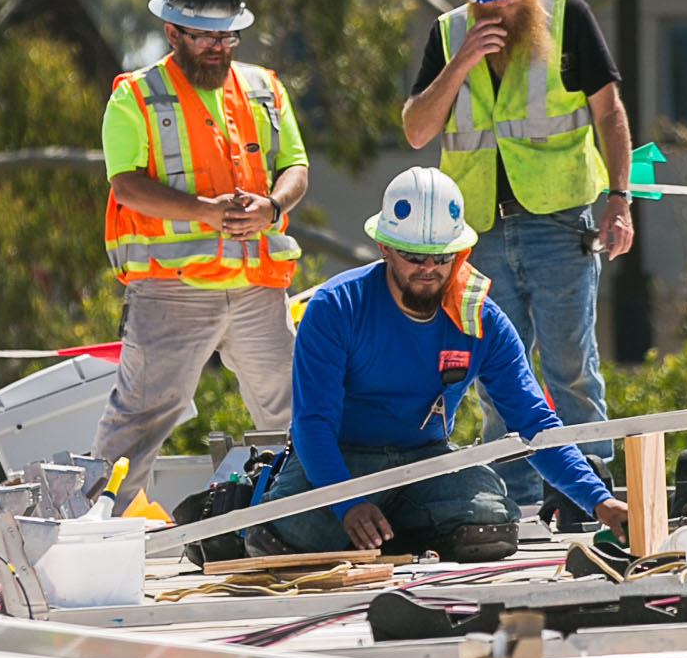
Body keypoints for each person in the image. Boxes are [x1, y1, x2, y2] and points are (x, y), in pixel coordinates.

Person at [266, 165, 629, 561]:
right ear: (384, 248)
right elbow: (312, 424)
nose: (428, 268)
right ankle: (371, 526)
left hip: (424, 463)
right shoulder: (337, 307)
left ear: (460, 253)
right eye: (413, 256)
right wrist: (347, 504)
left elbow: (535, 423)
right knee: (292, 536)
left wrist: (601, 503)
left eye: (441, 257)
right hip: (341, 455)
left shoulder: (482, 321)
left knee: (490, 523)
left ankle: (387, 532)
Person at [401, 0, 633, 525]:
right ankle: (513, 496)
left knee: (568, 362)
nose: (499, 12)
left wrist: (620, 198)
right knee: (497, 371)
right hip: (479, 232)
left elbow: (610, 113)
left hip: (560, 222)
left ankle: (591, 494)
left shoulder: (566, 16)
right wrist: (462, 64)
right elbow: (418, 130)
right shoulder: (450, 35)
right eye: (486, 2)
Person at [92, 0, 309, 503]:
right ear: (172, 32)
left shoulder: (264, 89)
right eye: (204, 36)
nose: (218, 46)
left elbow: (297, 167)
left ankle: (306, 518)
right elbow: (127, 187)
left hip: (257, 284)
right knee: (138, 423)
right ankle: (92, 537)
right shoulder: (135, 97)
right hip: (172, 289)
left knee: (295, 412)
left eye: (228, 36)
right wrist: (206, 212)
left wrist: (272, 208)